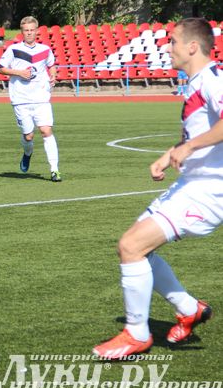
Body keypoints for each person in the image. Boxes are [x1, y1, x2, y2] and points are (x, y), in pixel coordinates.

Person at [93, 18, 220, 359]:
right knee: (138, 249)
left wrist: (189, 149)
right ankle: (189, 308)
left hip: (210, 191)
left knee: (130, 245)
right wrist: (170, 154)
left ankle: (136, 333)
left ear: (193, 46)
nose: (168, 47)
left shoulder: (212, 79)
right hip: (192, 184)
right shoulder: (196, 82)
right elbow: (200, 131)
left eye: (174, 42)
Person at [0, 16, 61, 182]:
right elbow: (1, 68)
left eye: (32, 30)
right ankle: (27, 153)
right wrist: (20, 73)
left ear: (37, 31)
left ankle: (54, 170)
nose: (29, 33)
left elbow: (51, 65)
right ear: (22, 32)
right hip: (21, 98)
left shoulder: (45, 49)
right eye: (26, 30)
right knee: (28, 136)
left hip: (41, 97)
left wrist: (53, 76)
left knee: (46, 131)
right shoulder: (13, 49)